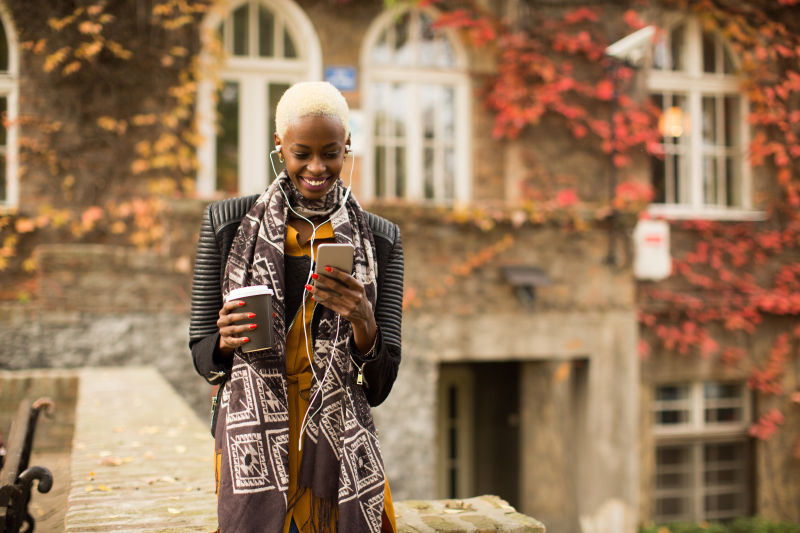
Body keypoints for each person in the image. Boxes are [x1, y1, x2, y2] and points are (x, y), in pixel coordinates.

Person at [189, 81, 403, 533]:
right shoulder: (227, 224)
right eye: (302, 152)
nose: (317, 167)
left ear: (348, 146)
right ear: (279, 145)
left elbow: (381, 384)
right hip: (254, 441)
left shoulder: (381, 238)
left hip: (340, 443)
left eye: (331, 152)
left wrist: (364, 322)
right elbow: (201, 354)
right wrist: (225, 343)